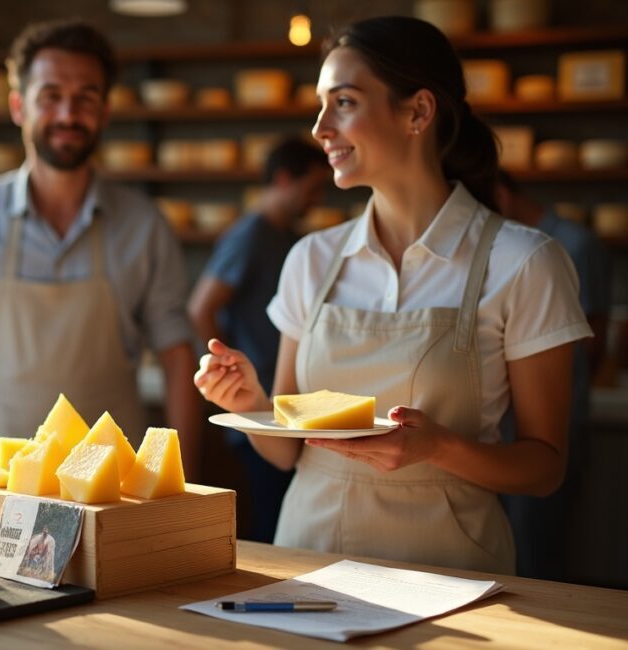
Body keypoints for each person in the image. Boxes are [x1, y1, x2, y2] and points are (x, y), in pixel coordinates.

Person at [194, 16, 591, 574]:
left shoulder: (524, 262)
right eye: (320, 105)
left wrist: (439, 448)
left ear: (418, 112)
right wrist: (251, 403)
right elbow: (287, 450)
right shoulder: (311, 259)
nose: (319, 128)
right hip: (308, 563)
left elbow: (545, 467)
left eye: (345, 103)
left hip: (451, 575)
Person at [0, 19, 199, 482]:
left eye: (85, 98)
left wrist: (182, 479)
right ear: (19, 106)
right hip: (0, 478)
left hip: (114, 484)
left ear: (104, 111)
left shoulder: (144, 225)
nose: (67, 114)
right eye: (51, 96)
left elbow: (177, 357)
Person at [189, 137, 331, 543]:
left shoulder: (288, 236)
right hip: (255, 401)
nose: (317, 199)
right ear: (284, 179)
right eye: (312, 187)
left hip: (284, 401)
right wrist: (224, 367)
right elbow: (201, 307)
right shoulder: (251, 234)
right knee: (270, 523)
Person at [495, 171, 612, 581]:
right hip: (504, 426)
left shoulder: (573, 244)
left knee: (537, 545)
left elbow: (595, 337)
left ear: (500, 195)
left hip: (556, 418)